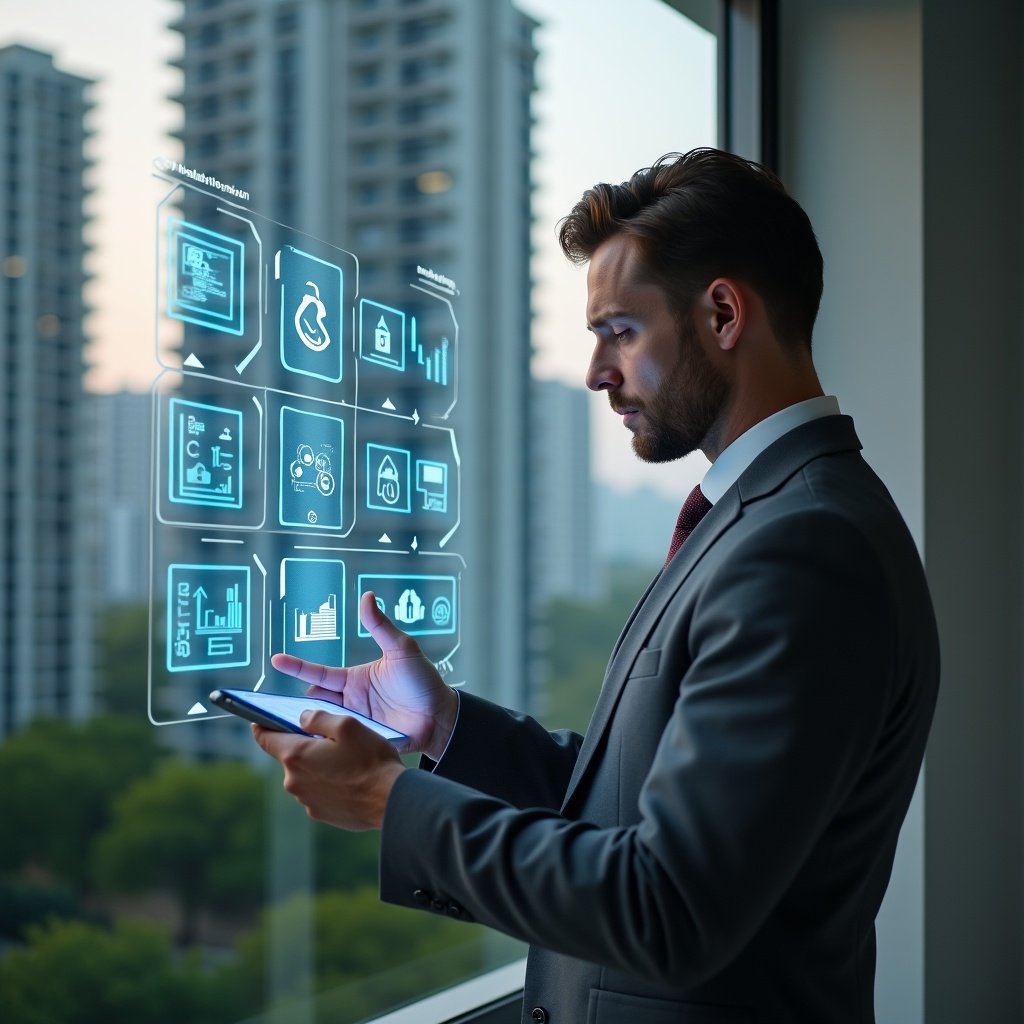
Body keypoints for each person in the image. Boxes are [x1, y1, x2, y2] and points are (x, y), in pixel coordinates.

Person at [254, 148, 940, 1024]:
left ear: (724, 313)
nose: (596, 372)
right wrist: (447, 727)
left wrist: (390, 800)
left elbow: (669, 906)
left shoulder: (803, 545)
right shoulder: (770, 518)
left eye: (619, 330)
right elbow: (640, 805)